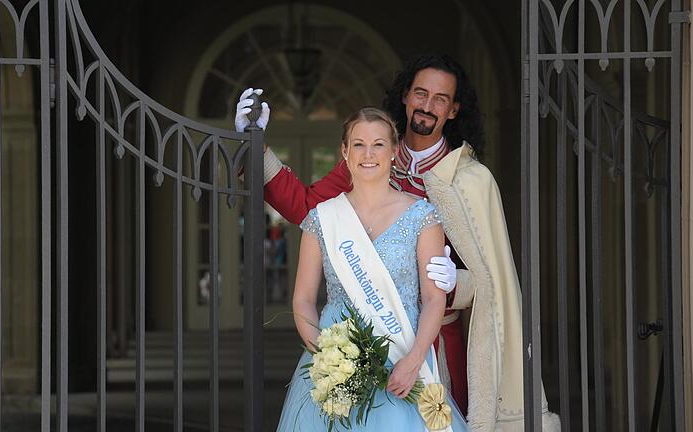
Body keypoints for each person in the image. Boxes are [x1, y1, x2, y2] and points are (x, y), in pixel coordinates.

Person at [237, 54, 560, 430]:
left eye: (440, 99)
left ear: (454, 110)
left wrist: (460, 283)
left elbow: (494, 279)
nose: (427, 105)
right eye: (420, 94)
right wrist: (257, 147)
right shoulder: (364, 160)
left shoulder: (471, 180)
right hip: (351, 338)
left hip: (435, 342)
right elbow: (308, 209)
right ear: (405, 97)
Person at [276, 107, 467, 431]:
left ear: (394, 151)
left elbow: (435, 299)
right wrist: (325, 361)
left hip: (404, 356)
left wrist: (414, 359)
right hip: (336, 360)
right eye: (359, 144)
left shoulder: (422, 216)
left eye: (378, 144)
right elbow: (303, 300)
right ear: (344, 152)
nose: (368, 154)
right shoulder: (323, 218)